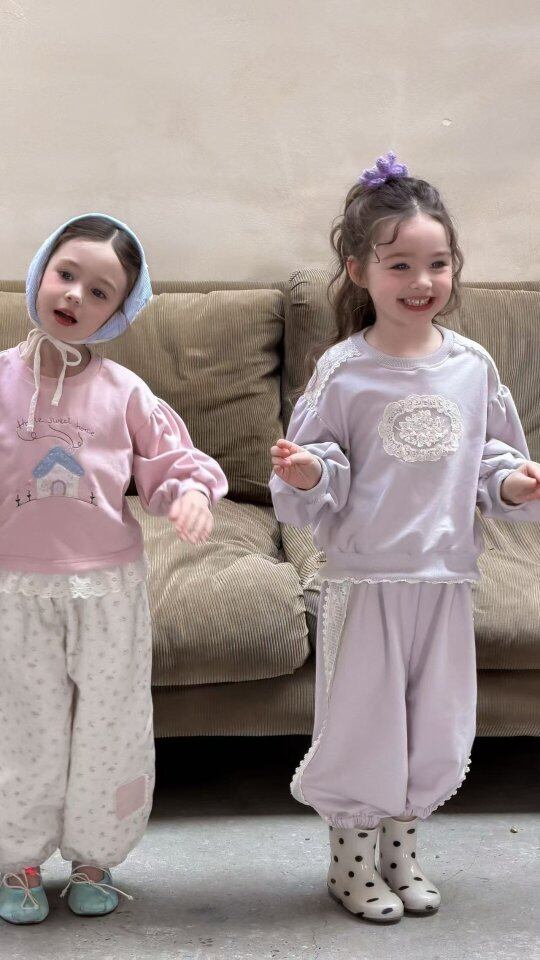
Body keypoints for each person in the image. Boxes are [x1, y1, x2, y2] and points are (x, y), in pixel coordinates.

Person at [270, 153, 540, 923]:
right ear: (360, 271)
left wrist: (516, 484)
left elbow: (492, 461)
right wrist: (307, 474)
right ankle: (350, 865)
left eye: (438, 263)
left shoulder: (472, 366)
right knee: (364, 726)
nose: (422, 281)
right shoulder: (343, 370)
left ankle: (400, 854)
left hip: (445, 577)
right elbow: (322, 465)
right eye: (400, 265)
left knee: (434, 723)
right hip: (366, 579)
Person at [0, 214, 227, 923]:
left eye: (100, 291)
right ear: (41, 273)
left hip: (107, 588)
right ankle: (17, 861)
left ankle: (96, 858)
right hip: (14, 589)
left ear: (119, 312)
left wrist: (188, 494)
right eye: (66, 274)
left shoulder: (125, 391)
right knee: (21, 724)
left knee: (112, 722)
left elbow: (169, 461)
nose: (75, 295)